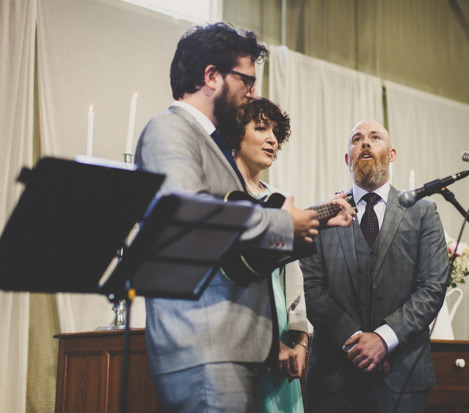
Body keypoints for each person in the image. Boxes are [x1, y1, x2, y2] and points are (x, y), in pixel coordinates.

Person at [135, 23, 354, 412]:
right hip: (204, 347)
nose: (253, 94)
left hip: (236, 349)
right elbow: (188, 213)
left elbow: (237, 260)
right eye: (247, 81)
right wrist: (285, 224)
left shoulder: (215, 148)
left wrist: (307, 224)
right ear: (211, 76)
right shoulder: (169, 129)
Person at [300, 119, 450, 412]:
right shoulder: (319, 215)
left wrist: (384, 339)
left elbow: (433, 286)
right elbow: (310, 288)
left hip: (403, 374)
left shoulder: (423, 212)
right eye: (357, 139)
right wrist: (355, 341)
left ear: (392, 154)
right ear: (347, 158)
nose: (365, 143)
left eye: (375, 137)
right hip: (334, 377)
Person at [233, 98, 310, 412]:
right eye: (261, 128)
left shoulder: (278, 198)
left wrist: (301, 340)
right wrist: (266, 344)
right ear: (236, 133)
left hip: (282, 327)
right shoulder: (227, 195)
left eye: (277, 134)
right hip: (244, 330)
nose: (272, 140)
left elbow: (293, 276)